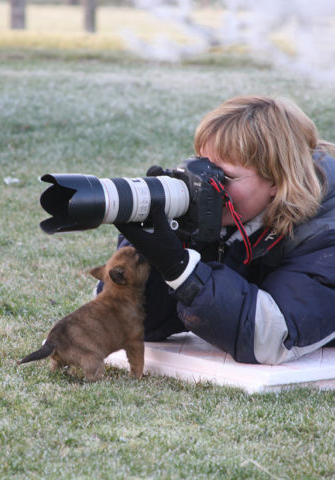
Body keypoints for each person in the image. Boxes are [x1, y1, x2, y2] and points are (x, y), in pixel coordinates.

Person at [116, 95, 335, 365]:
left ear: (278, 180)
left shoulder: (327, 231)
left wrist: (182, 270)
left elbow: (271, 337)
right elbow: (131, 322)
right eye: (204, 165)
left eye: (225, 177)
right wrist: (149, 252)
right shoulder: (233, 213)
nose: (208, 182)